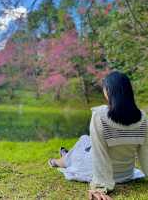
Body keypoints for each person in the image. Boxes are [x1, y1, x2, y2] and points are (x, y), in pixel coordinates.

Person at [48, 71, 148, 200]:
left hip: (98, 172)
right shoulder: (143, 118)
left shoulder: (100, 115)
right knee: (85, 140)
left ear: (109, 91)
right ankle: (66, 155)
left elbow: (99, 154)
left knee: (81, 147)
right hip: (125, 174)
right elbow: (146, 154)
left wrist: (100, 186)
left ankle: (57, 161)